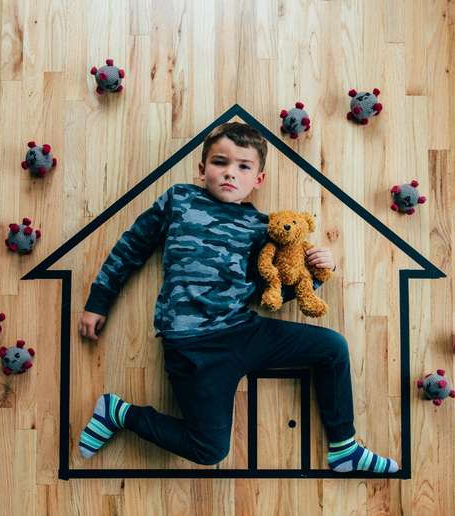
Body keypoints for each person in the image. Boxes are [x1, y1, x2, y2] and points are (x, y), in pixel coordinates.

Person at [76, 122, 399, 473]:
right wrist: (98, 301)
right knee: (209, 450)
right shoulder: (179, 200)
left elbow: (269, 292)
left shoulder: (264, 228)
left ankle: (344, 449)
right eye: (220, 162)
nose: (230, 173)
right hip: (192, 346)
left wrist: (316, 274)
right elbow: (131, 247)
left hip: (243, 332)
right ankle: (119, 413)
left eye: (243, 166)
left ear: (258, 179)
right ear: (202, 170)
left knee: (332, 347)